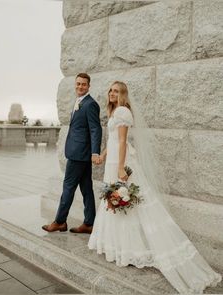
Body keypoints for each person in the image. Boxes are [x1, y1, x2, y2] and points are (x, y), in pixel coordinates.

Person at [88, 81, 222, 294]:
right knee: (117, 202)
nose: (112, 93)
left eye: (116, 91)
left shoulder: (122, 111)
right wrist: (103, 155)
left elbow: (122, 142)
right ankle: (122, 247)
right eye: (110, 90)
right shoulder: (114, 112)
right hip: (112, 160)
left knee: (131, 203)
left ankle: (132, 249)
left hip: (120, 162)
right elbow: (112, 140)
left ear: (122, 94)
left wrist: (121, 167)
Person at [42, 73, 102, 234]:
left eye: (83, 84)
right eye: (78, 84)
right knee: (86, 189)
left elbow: (96, 129)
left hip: (79, 154)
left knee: (68, 187)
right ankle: (89, 223)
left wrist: (95, 152)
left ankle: (60, 221)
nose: (80, 87)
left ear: (89, 86)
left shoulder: (90, 104)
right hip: (79, 153)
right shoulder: (79, 101)